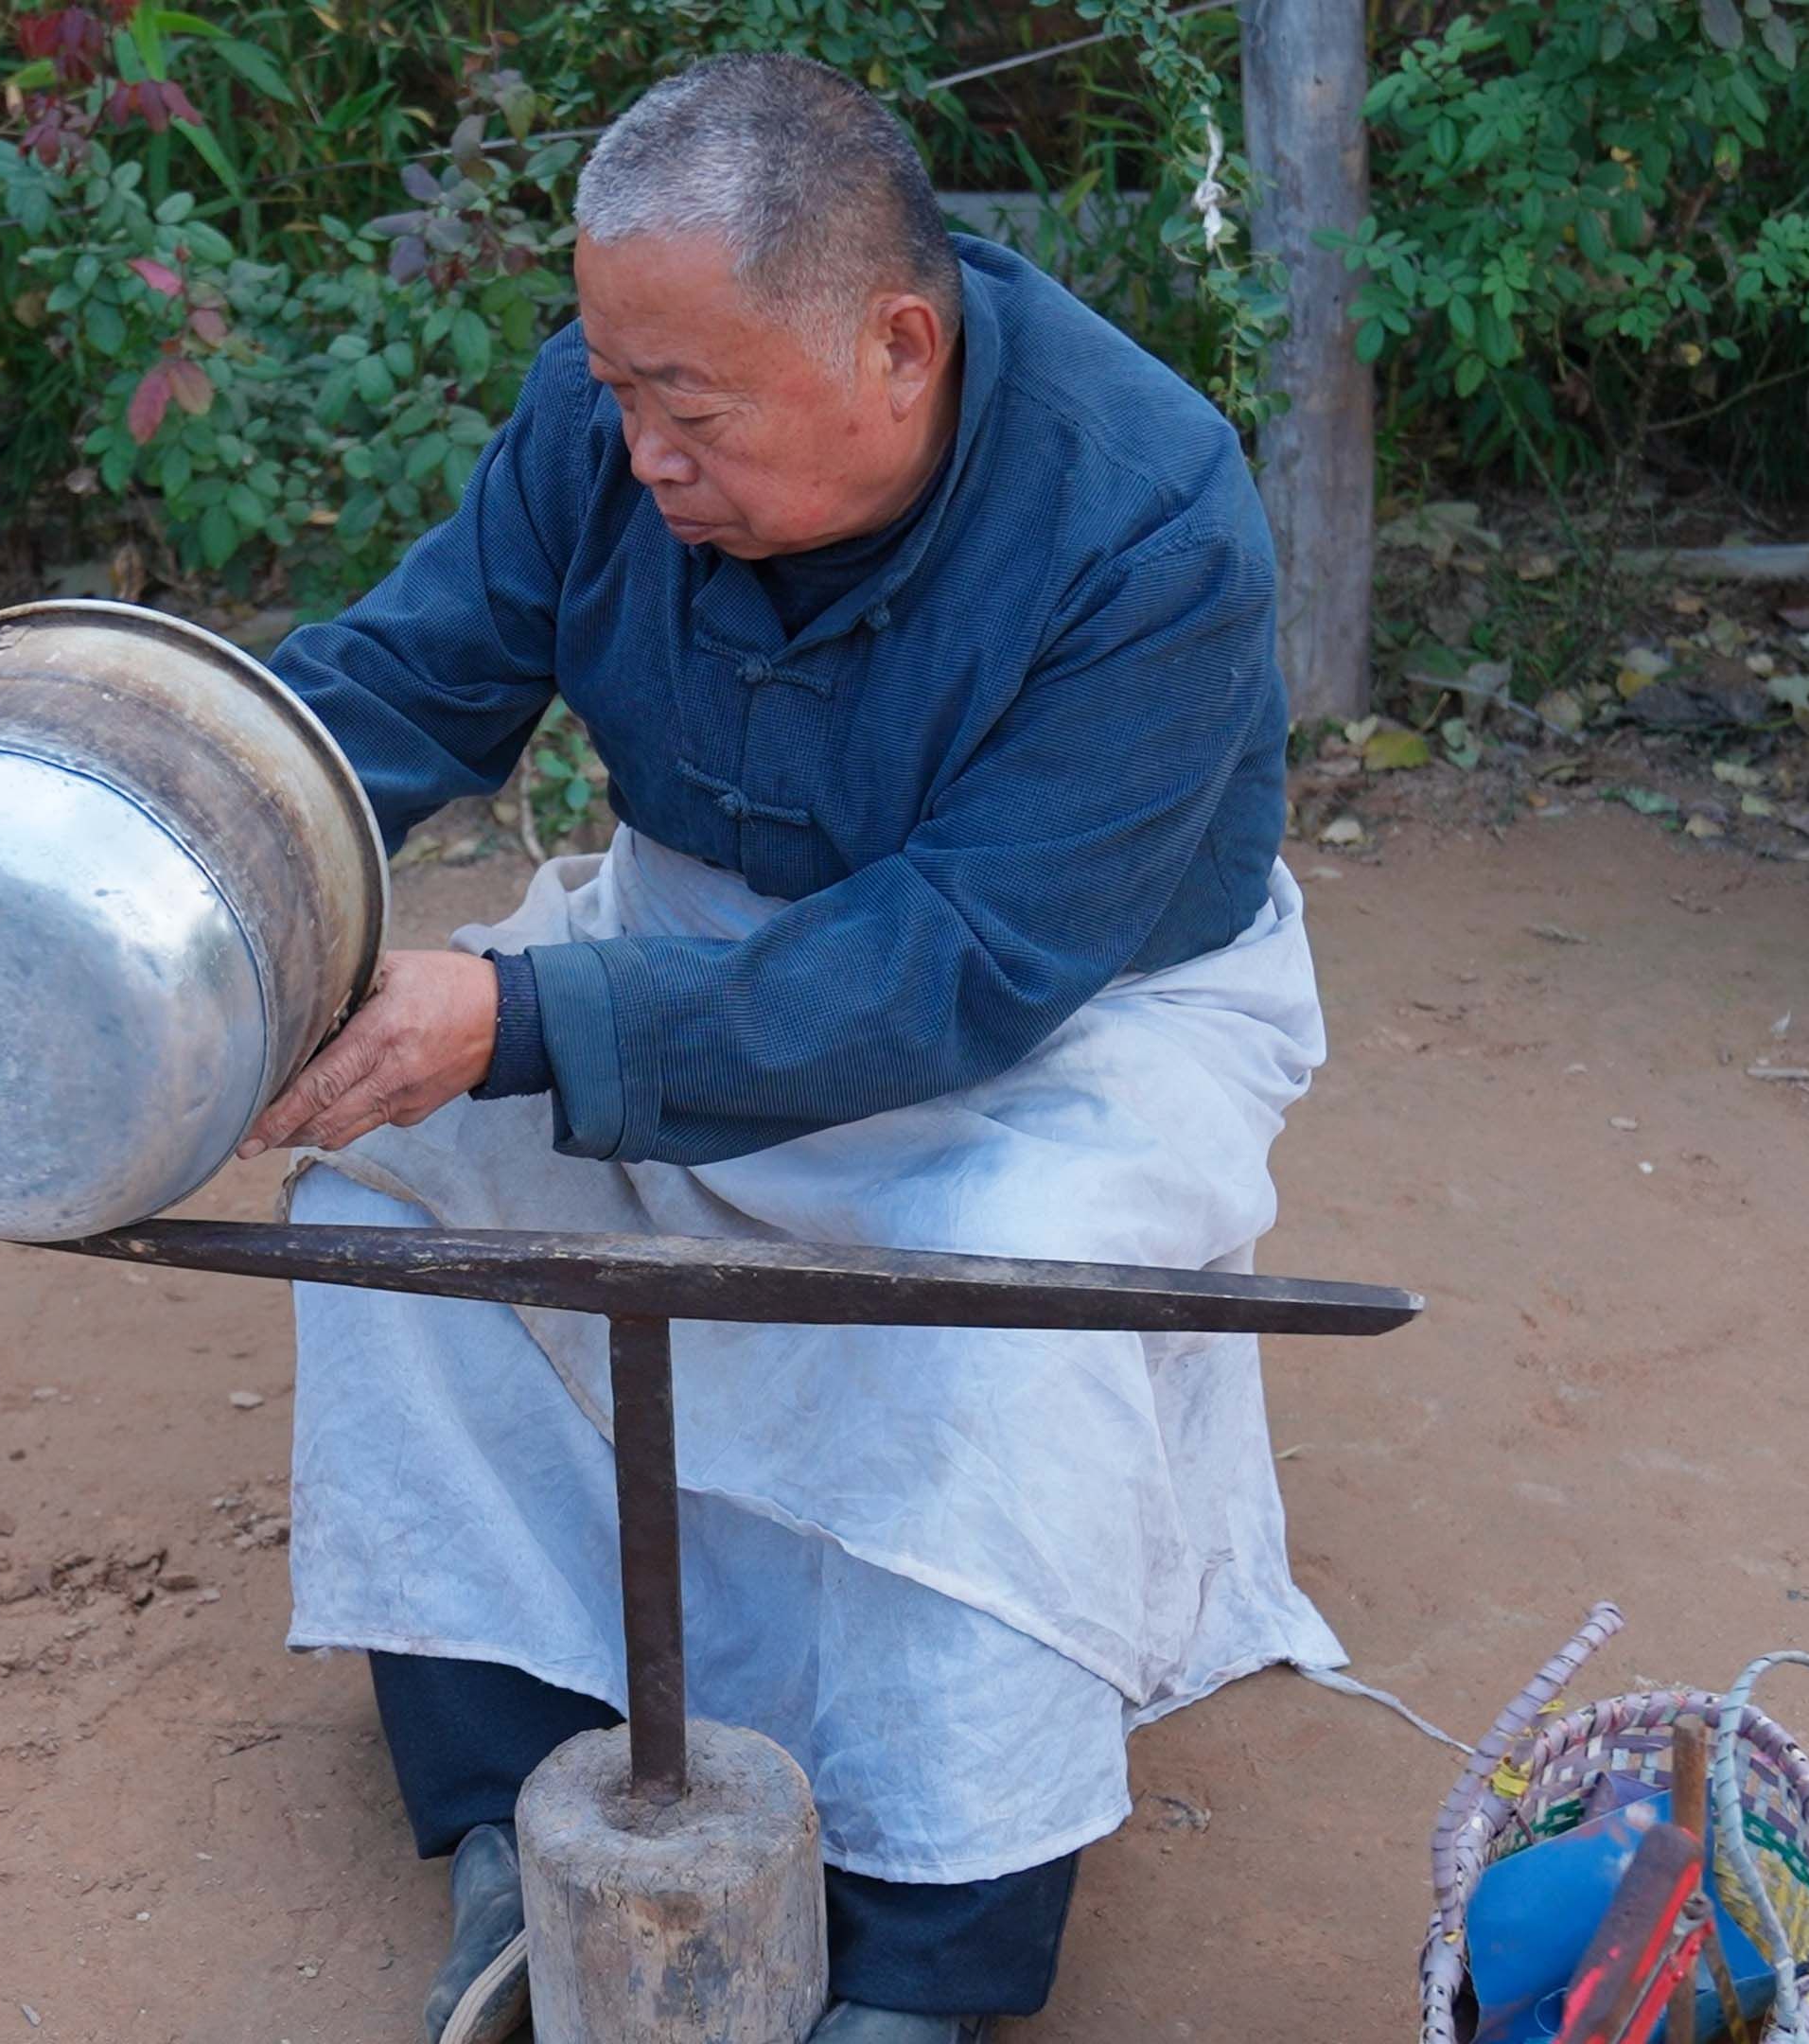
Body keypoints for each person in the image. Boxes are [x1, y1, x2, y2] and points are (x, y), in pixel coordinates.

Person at [251, 52, 1339, 2044]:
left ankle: (930, 1946)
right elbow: (411, 676)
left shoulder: (1150, 514)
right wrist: (206, 830)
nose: (640, 452)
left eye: (691, 407)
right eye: (616, 393)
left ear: (897, 345)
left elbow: (957, 964)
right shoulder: (615, 410)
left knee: (998, 1329)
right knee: (392, 1196)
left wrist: (512, 1017)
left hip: (1070, 1027)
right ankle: (521, 1793)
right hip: (681, 935)